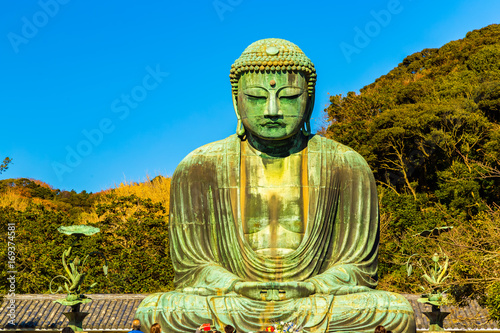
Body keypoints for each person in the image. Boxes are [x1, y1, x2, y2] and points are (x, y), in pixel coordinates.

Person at [136, 38, 416, 333]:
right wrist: (235, 286)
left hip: (314, 301)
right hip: (234, 301)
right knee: (160, 310)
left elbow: (358, 269)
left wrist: (311, 287)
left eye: (289, 97)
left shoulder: (346, 165)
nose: (272, 110)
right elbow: (193, 268)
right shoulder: (199, 167)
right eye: (256, 97)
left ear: (308, 100)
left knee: (393, 312)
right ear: (236, 100)